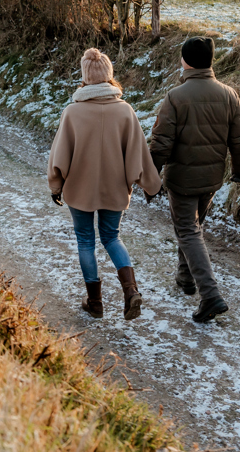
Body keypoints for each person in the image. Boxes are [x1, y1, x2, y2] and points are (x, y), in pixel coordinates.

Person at [48, 48, 161, 320]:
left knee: (86, 240)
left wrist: (56, 186)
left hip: (79, 190)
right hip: (114, 188)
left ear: (85, 78)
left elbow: (59, 156)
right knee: (111, 237)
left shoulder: (72, 113)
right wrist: (150, 185)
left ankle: (95, 303)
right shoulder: (125, 111)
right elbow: (139, 154)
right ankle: (131, 291)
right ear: (110, 77)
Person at [149, 36, 240, 323]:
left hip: (182, 179)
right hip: (211, 179)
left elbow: (161, 144)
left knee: (188, 230)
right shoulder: (229, 94)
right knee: (192, 227)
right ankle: (185, 277)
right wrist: (239, 171)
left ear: (186, 61)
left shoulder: (175, 97)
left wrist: (150, 176)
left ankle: (210, 295)